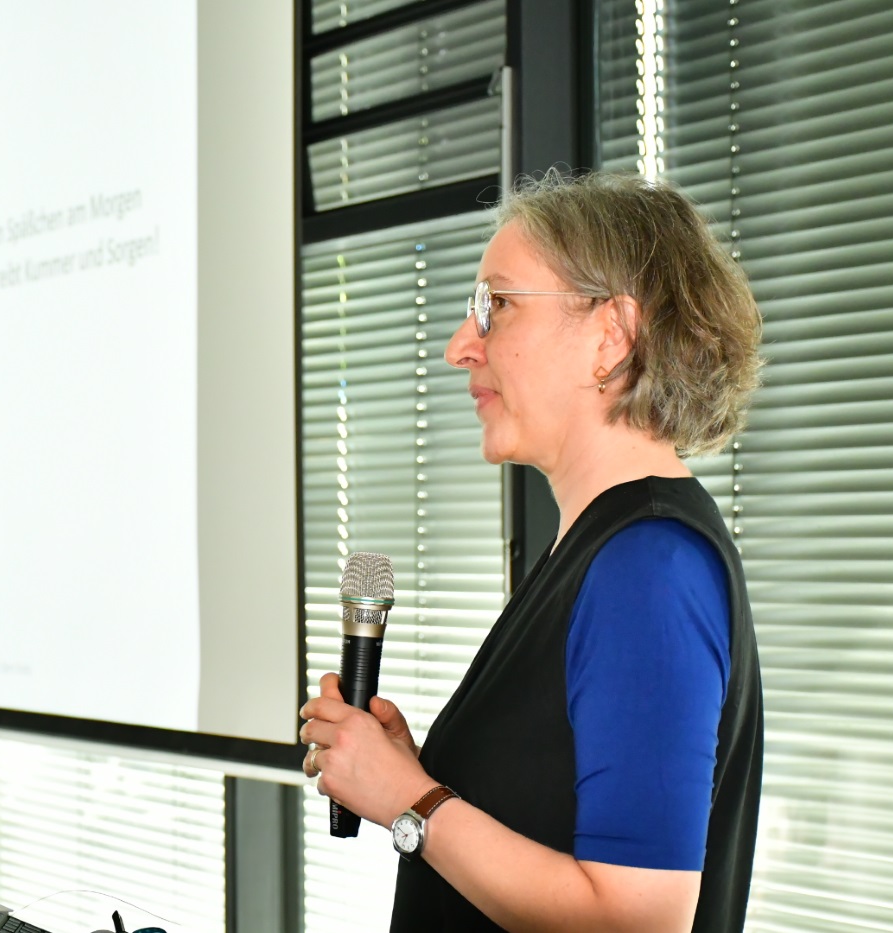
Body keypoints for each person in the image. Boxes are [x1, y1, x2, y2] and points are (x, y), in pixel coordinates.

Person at [299, 170, 764, 932]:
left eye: (496, 306)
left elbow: (637, 920)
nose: (459, 347)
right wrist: (410, 774)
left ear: (610, 338)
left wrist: (410, 802)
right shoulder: (592, 550)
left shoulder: (649, 567)